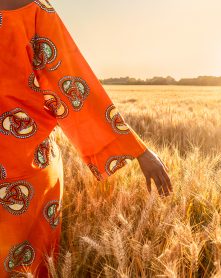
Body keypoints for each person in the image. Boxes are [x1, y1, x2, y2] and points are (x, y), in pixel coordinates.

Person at [0, 0, 173, 276]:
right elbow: (73, 85)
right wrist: (136, 148)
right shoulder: (33, 9)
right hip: (30, 169)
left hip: (26, 168)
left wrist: (135, 147)